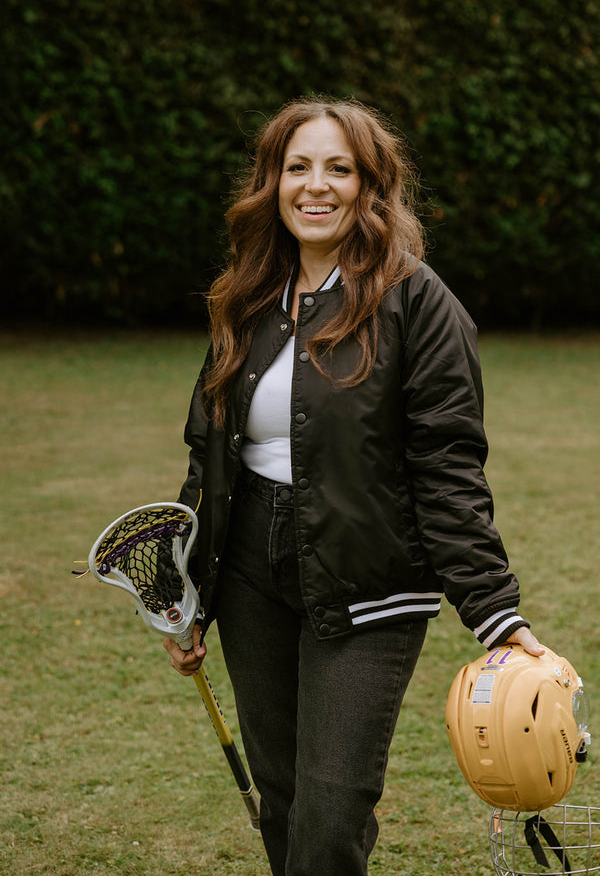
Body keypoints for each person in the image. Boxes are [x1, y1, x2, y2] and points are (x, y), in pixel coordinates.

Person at [163, 96, 544, 876]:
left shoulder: (417, 301)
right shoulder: (245, 295)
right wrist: (188, 587)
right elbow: (211, 453)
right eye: (297, 167)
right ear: (272, 183)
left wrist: (495, 612)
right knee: (283, 798)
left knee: (330, 814)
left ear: (371, 187)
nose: (316, 185)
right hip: (247, 581)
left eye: (339, 168)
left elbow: (447, 467)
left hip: (368, 578)